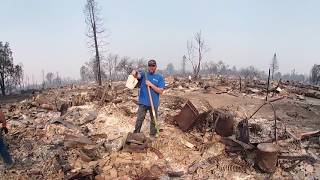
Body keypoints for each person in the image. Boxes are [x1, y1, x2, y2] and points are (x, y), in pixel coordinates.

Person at [132, 59, 165, 138]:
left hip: (154, 103)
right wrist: (134, 73)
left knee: (154, 120)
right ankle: (135, 134)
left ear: (156, 67)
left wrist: (151, 85)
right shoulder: (144, 74)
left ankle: (152, 135)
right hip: (143, 102)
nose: (151, 67)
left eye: (153, 66)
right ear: (148, 66)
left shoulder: (159, 77)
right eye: (150, 66)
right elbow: (137, 76)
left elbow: (160, 91)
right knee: (140, 119)